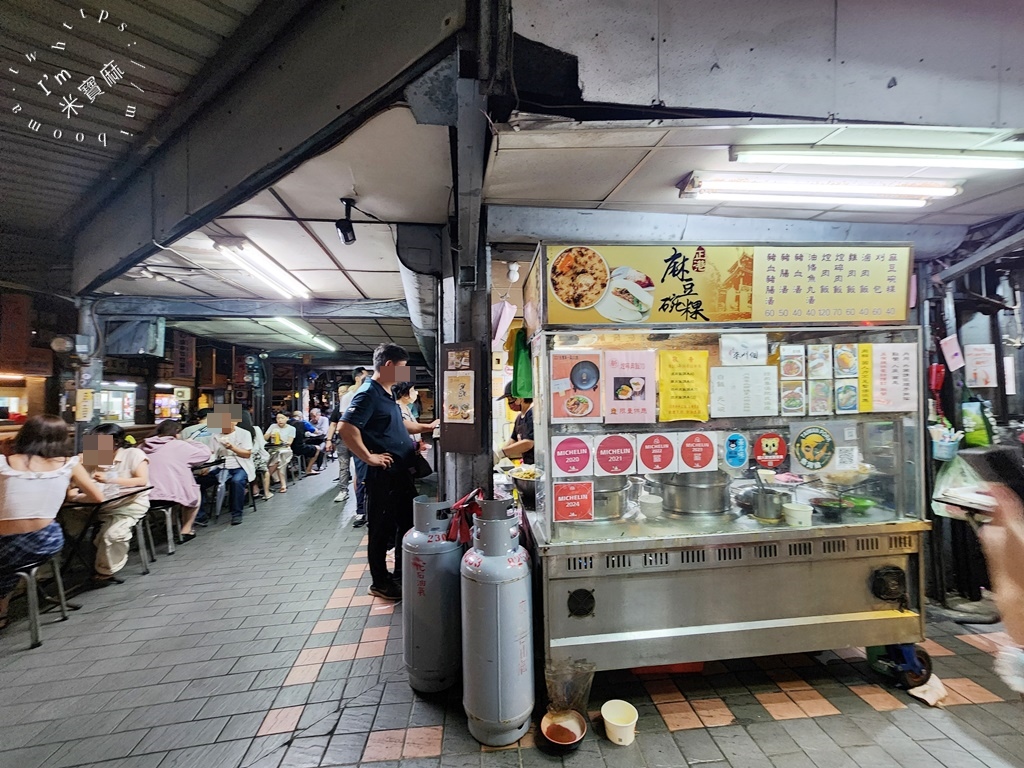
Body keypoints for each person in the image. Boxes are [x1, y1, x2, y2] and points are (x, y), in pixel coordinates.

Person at [0, 416, 104, 630]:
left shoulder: (5, 463)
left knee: (9, 560)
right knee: (12, 564)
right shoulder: (70, 463)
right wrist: (72, 496)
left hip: (8, 545)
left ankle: (2, 610)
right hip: (47, 540)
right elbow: (98, 497)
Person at [338, 345, 416, 600]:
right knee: (381, 529)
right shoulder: (367, 393)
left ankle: (399, 575)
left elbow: (391, 426)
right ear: (390, 366)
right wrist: (368, 457)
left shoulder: (388, 392)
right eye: (403, 367)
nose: (406, 373)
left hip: (399, 474)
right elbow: (345, 428)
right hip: (383, 475)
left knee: (404, 523)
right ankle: (380, 582)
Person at [64, 423, 151, 583]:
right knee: (65, 526)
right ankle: (64, 567)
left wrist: (110, 479)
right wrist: (78, 464)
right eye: (93, 441)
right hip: (95, 506)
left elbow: (142, 480)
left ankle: (105, 570)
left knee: (111, 535)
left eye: (100, 441)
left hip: (128, 505)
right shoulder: (94, 456)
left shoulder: (133, 454)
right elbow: (76, 483)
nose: (96, 445)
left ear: (116, 442)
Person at [140, 420, 214, 541]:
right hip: (169, 495)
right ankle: (186, 530)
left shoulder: (142, 446)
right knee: (192, 493)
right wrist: (191, 442)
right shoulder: (179, 445)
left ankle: (172, 524)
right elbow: (205, 455)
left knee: (176, 490)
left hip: (143, 497)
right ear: (177, 432)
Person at [326, 366, 368, 513]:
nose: (341, 394)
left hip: (358, 439)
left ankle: (360, 505)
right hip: (344, 440)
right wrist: (329, 440)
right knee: (344, 467)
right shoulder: (345, 402)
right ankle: (344, 491)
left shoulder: (364, 396)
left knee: (359, 470)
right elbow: (335, 424)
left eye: (343, 391)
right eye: (340, 392)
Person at [208, 408, 254, 525]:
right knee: (200, 481)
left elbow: (247, 454)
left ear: (235, 422)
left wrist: (231, 447)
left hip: (240, 465)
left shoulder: (244, 433)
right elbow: (212, 453)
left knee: (237, 481)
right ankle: (200, 516)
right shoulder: (215, 434)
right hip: (220, 466)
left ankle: (237, 514)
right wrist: (206, 466)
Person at [391, 381, 439, 452]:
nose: (415, 393)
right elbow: (405, 426)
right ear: (404, 395)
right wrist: (430, 426)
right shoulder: (396, 409)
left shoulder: (406, 407)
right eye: (412, 390)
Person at [495, 383, 535, 465]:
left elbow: (528, 443)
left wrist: (501, 453)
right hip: (528, 465)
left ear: (520, 398)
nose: (509, 404)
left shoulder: (533, 414)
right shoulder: (519, 418)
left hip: (538, 464)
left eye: (510, 400)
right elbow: (512, 441)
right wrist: (497, 454)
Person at [240, 408, 271, 501]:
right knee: (265, 469)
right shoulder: (255, 429)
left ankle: (254, 488)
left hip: (240, 460)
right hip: (253, 459)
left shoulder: (234, 431)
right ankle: (266, 492)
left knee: (250, 466)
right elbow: (262, 444)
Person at [264, 412, 295, 493]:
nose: (279, 420)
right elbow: (264, 438)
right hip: (273, 449)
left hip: (285, 449)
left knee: (280, 456)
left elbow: (289, 443)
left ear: (287, 418)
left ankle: (266, 478)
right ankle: (282, 484)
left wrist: (280, 438)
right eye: (278, 418)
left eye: (282, 418)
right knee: (278, 458)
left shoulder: (292, 428)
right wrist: (271, 433)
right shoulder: (273, 426)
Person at [289, 410, 322, 475]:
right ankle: (309, 469)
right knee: (317, 448)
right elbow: (316, 431)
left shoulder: (287, 422)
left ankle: (302, 466)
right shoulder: (303, 422)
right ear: (301, 416)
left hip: (288, 447)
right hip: (298, 447)